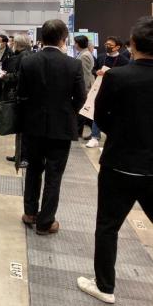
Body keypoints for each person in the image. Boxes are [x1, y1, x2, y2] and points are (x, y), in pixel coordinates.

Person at [77, 16, 153, 304]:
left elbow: (101, 116)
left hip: (119, 163)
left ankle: (105, 286)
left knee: (108, 227)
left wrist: (120, 134)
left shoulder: (117, 77)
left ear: (132, 44)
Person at [18, 20, 86, 236]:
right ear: (63, 39)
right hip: (61, 128)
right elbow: (81, 98)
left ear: (42, 37)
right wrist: (67, 112)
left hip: (33, 126)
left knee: (33, 170)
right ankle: (45, 222)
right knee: (54, 175)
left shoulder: (28, 62)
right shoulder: (73, 65)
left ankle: (30, 213)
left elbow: (21, 94)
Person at [87, 37, 130, 148]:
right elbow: (93, 69)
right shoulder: (101, 57)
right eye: (106, 44)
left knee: (114, 113)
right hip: (100, 87)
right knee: (97, 109)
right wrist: (97, 71)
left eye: (110, 45)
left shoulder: (124, 60)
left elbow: (126, 75)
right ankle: (94, 136)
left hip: (116, 90)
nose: (107, 46)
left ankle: (113, 136)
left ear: (117, 47)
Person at [1, 34, 32, 168]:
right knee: (19, 128)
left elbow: (20, 76)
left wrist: (6, 76)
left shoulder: (23, 57)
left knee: (22, 129)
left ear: (19, 44)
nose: (12, 44)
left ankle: (23, 157)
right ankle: (19, 155)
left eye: (14, 42)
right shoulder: (24, 55)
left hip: (22, 97)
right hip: (22, 96)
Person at [74, 35, 95, 139]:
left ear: (78, 44)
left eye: (75, 43)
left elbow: (85, 74)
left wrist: (84, 89)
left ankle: (82, 132)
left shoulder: (84, 55)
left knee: (83, 110)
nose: (74, 45)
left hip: (85, 86)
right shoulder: (84, 53)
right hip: (85, 86)